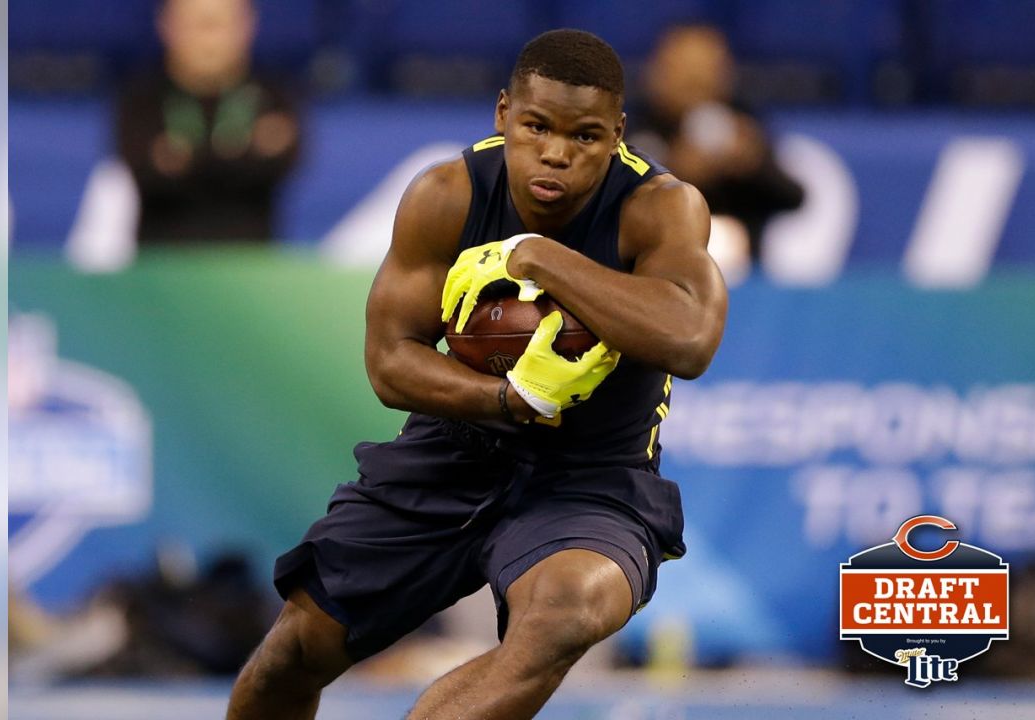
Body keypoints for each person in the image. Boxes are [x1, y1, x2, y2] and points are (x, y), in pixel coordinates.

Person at [226, 29, 728, 720]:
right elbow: (389, 360)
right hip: (452, 453)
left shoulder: (661, 206)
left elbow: (693, 338)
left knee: (566, 612)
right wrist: (507, 398)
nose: (556, 152)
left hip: (593, 477)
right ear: (502, 115)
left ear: (617, 135)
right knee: (292, 654)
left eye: (584, 136)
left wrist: (539, 257)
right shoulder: (446, 194)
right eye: (536, 126)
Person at [115, 0, 300, 244]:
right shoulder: (141, 99)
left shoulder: (274, 96)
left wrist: (184, 158)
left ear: (247, 25)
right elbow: (147, 172)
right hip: (161, 266)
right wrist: (242, 153)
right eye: (195, 24)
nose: (207, 39)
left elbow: (284, 163)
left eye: (217, 24)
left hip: (250, 265)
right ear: (166, 25)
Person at [627, 24, 804, 269]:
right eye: (685, 71)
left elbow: (794, 197)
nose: (696, 82)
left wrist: (753, 164)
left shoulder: (743, 124)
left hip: (744, 283)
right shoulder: (633, 130)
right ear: (656, 74)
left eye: (705, 71)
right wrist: (674, 172)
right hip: (655, 278)